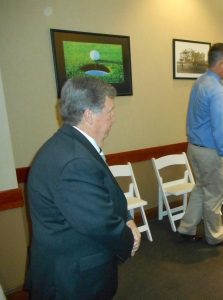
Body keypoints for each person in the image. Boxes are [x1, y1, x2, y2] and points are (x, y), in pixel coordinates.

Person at [26, 77, 141, 299]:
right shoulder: (74, 162)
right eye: (110, 111)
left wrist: (126, 216)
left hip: (68, 266)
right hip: (73, 280)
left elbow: (102, 197)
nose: (113, 118)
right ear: (89, 115)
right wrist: (130, 238)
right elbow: (100, 223)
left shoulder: (69, 145)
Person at [177, 43, 223, 246]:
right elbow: (221, 131)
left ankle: (187, 228)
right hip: (210, 152)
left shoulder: (201, 82)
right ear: (221, 63)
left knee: (201, 189)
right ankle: (215, 236)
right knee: (214, 195)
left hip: (194, 148)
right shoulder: (218, 92)